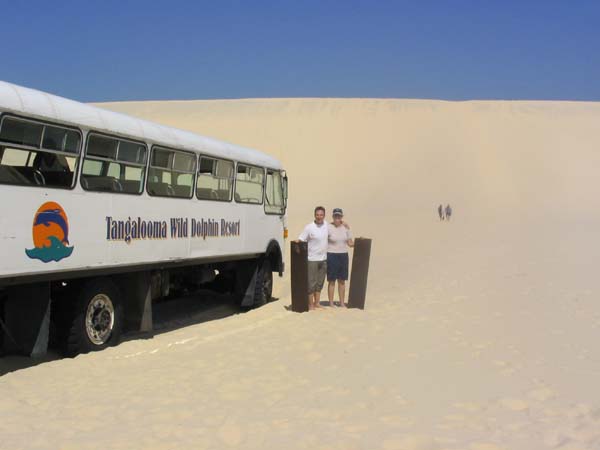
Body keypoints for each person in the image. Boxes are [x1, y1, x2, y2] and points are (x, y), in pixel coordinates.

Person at [297, 206, 329, 310]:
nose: (319, 217)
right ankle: (310, 305)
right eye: (317, 215)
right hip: (312, 259)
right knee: (311, 283)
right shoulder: (309, 227)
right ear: (314, 215)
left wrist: (343, 223)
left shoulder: (327, 225)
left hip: (323, 259)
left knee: (319, 283)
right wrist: (297, 242)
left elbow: (335, 225)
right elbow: (301, 239)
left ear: (324, 215)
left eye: (321, 215)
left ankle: (317, 303)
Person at [327, 208, 353, 307]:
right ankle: (331, 303)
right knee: (332, 280)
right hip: (331, 254)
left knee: (342, 280)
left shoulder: (346, 228)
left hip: (343, 255)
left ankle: (342, 302)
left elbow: (350, 243)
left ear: (341, 217)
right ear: (333, 217)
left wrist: (359, 243)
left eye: (339, 216)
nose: (337, 218)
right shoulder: (328, 227)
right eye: (335, 216)